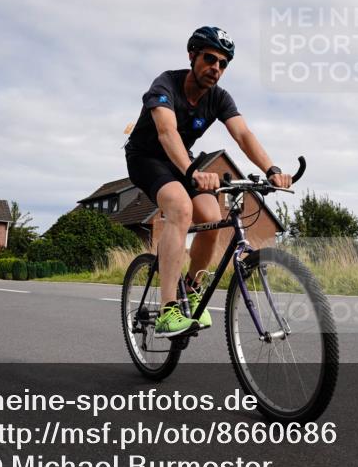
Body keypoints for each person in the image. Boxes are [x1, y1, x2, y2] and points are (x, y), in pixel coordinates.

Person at [125, 26, 293, 337]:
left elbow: (243, 134)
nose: (216, 67)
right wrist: (192, 171)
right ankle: (168, 311)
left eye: (223, 63)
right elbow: (166, 132)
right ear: (192, 55)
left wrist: (271, 169)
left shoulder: (219, 98)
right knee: (180, 207)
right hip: (146, 157)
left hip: (182, 161)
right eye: (210, 59)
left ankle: (191, 288)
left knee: (213, 218)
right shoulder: (166, 84)